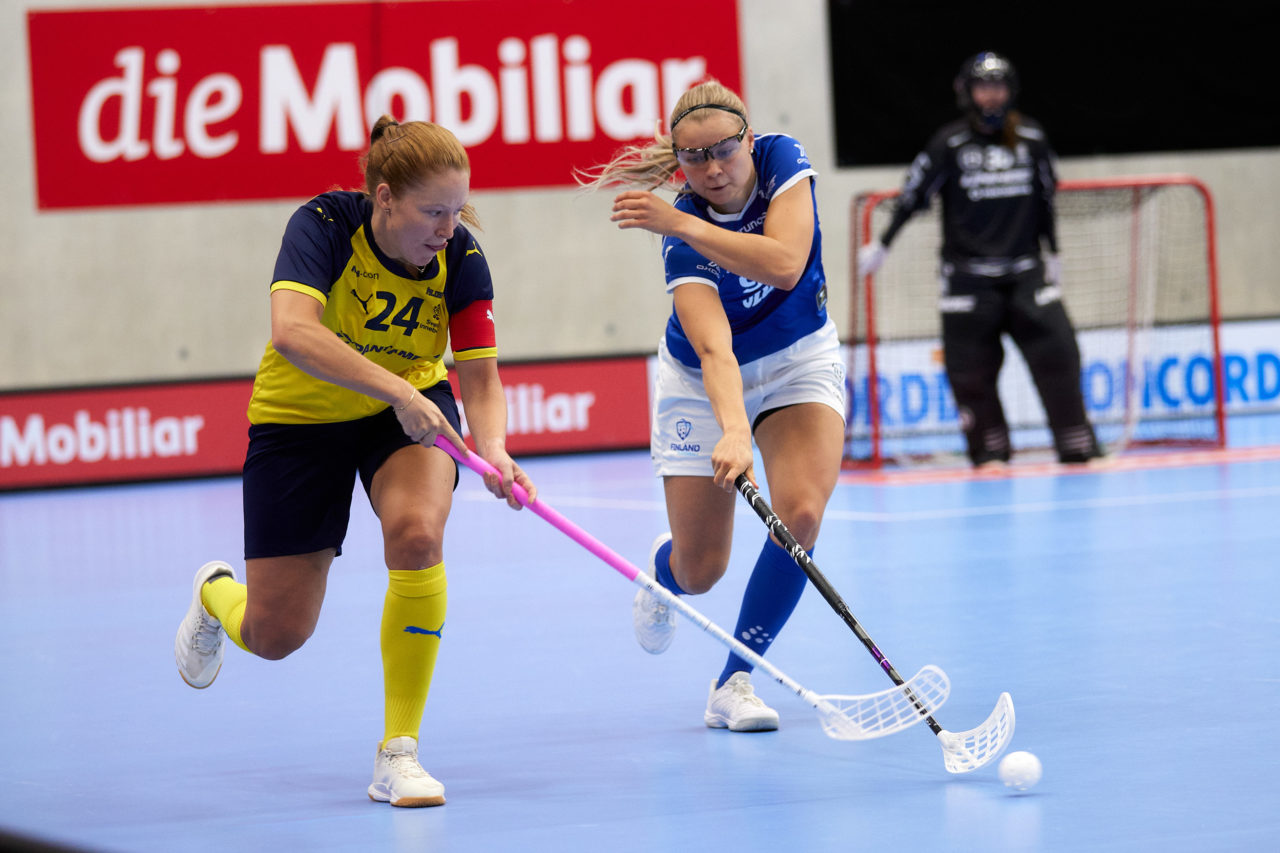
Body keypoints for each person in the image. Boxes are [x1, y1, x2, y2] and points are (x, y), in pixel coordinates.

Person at [173, 116, 535, 808]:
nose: (448, 227)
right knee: (276, 635)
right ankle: (213, 590)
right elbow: (293, 331)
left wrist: (494, 449)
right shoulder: (323, 226)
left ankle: (398, 750)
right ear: (385, 196)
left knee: (418, 533)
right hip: (300, 419)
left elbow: (481, 377)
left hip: (405, 413)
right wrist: (399, 389)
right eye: (434, 211)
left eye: (458, 210)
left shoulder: (461, 258)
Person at [581, 80, 847, 731]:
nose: (713, 169)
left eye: (725, 150)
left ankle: (735, 681)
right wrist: (734, 431)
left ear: (749, 141)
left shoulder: (782, 163)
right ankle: (662, 573)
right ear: (680, 164)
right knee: (702, 570)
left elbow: (786, 262)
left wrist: (680, 218)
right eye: (694, 159)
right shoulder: (680, 242)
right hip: (701, 379)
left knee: (801, 514)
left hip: (797, 359)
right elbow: (713, 347)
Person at [858, 51, 1101, 467]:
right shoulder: (949, 144)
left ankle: (1077, 443)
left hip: (1026, 273)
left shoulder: (1032, 139)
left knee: (1059, 354)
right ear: (967, 93)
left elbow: (1045, 201)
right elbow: (914, 194)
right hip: (968, 281)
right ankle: (989, 451)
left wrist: (1054, 253)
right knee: (970, 374)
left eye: (999, 87)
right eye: (984, 88)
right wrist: (883, 244)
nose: (992, 96)